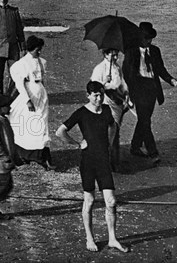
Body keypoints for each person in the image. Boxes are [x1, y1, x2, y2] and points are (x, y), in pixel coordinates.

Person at [56, 81, 129, 253]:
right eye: (95, 95)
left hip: (103, 160)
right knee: (89, 201)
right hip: (88, 162)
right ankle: (90, 237)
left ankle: (112, 239)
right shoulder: (81, 113)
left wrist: (110, 144)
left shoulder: (105, 110)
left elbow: (112, 126)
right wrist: (77, 143)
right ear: (88, 95)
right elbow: (60, 132)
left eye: (101, 94)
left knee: (111, 202)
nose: (99, 98)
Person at [122, 22, 177, 164]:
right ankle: (153, 152)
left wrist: (172, 80)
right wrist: (130, 94)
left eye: (150, 38)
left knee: (144, 119)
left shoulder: (155, 51)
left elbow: (161, 69)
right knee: (145, 121)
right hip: (138, 88)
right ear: (139, 38)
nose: (148, 41)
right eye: (146, 38)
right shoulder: (131, 51)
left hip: (152, 88)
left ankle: (135, 146)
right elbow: (127, 74)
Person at [9, 36, 55, 170]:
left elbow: (42, 79)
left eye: (40, 50)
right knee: (28, 124)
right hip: (29, 94)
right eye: (37, 50)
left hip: (41, 94)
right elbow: (20, 84)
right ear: (31, 49)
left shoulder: (42, 62)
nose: (39, 52)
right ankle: (28, 154)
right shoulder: (22, 64)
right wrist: (27, 100)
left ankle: (42, 154)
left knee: (41, 123)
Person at [91, 49, 132, 170]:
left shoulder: (117, 67)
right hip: (106, 102)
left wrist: (126, 94)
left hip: (118, 101)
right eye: (112, 55)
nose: (114, 57)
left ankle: (114, 161)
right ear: (105, 54)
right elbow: (94, 88)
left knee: (116, 132)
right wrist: (105, 83)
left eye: (116, 55)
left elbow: (122, 83)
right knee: (109, 132)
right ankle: (107, 163)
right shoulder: (99, 69)